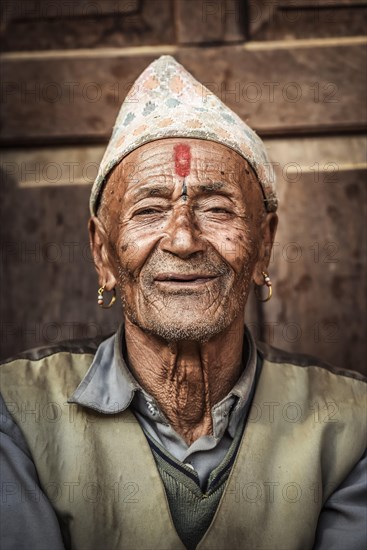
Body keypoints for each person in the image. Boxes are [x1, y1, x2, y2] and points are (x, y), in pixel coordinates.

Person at [0, 56, 365, 550]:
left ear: (264, 244)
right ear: (102, 253)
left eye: (216, 209)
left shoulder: (350, 420)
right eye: (149, 210)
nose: (183, 239)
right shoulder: (16, 409)